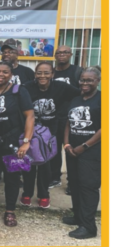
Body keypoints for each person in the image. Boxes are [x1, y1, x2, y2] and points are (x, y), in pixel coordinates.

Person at [0, 62, 35, 227]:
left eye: (5, 72)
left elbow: (30, 116)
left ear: (11, 75)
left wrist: (26, 142)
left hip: (12, 142)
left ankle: (10, 210)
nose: (1, 74)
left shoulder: (19, 91)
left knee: (12, 178)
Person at [22, 62, 75, 209]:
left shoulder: (61, 87)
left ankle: (44, 194)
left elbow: (80, 95)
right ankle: (27, 193)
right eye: (39, 72)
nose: (42, 76)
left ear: (52, 74)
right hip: (29, 130)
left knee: (45, 164)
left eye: (46, 73)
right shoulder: (26, 88)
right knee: (28, 162)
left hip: (50, 132)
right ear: (35, 74)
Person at [63, 67, 101, 239]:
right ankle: (78, 216)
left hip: (91, 151)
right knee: (75, 184)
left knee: (88, 186)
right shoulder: (76, 99)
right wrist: (67, 144)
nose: (85, 83)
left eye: (89, 80)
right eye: (82, 80)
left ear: (97, 81)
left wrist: (84, 146)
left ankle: (88, 227)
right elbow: (68, 123)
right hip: (72, 150)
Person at [49, 46, 82, 191]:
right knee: (54, 149)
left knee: (71, 149)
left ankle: (72, 182)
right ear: (55, 56)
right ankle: (55, 177)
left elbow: (83, 91)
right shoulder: (51, 72)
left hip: (72, 118)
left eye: (65, 52)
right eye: (59, 53)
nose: (61, 55)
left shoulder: (77, 71)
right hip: (54, 116)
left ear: (70, 54)